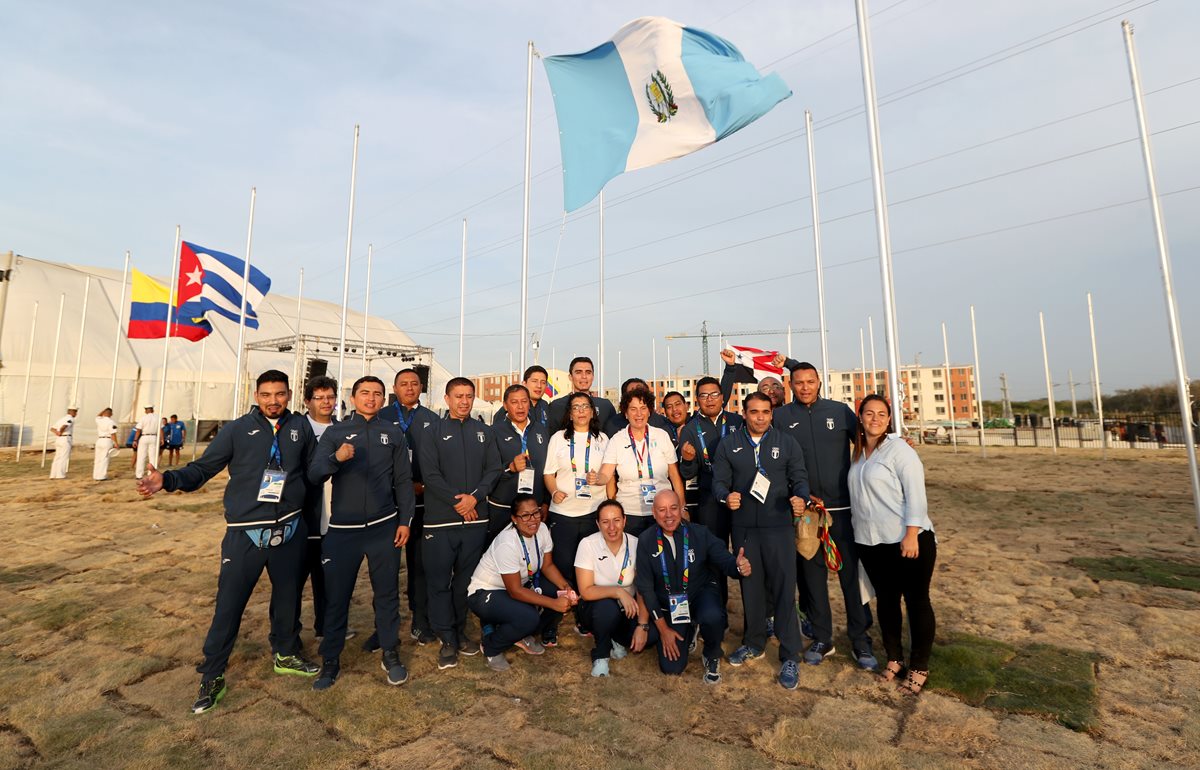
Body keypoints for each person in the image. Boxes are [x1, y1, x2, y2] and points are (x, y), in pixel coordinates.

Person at [136, 370, 319, 714]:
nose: (273, 401)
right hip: (245, 534)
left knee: (288, 600)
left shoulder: (300, 428)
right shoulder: (237, 430)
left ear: (290, 394)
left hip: (290, 532)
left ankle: (286, 653)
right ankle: (213, 674)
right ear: (256, 394)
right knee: (229, 607)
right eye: (266, 395)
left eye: (280, 394)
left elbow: (309, 475)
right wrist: (169, 479)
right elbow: (203, 468)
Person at [307, 376, 416, 690]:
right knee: (337, 598)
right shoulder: (335, 433)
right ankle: (330, 660)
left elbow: (403, 483)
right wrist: (335, 459)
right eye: (365, 393)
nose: (371, 398)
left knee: (387, 595)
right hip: (343, 531)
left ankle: (390, 653)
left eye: (377, 394)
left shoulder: (393, 433)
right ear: (353, 397)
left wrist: (405, 520)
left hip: (384, 529)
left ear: (384, 399)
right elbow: (315, 474)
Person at [776, 361, 878, 671]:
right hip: (807, 515)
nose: (805, 387)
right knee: (813, 578)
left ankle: (861, 640)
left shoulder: (839, 411)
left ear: (819, 382)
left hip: (843, 513)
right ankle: (822, 638)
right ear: (790, 385)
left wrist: (897, 444)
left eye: (810, 381)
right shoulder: (781, 417)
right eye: (799, 382)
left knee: (850, 578)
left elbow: (869, 440)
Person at [712, 391, 811, 690]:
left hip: (778, 528)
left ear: (771, 414)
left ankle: (790, 653)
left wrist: (801, 498)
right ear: (744, 413)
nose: (759, 417)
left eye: (765, 412)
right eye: (753, 412)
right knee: (750, 587)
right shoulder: (729, 444)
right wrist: (724, 496)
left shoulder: (786, 442)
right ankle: (753, 642)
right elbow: (718, 480)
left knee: (783, 589)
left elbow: (800, 477)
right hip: (744, 529)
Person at [849, 394, 936, 695]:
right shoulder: (859, 454)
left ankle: (919, 666)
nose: (874, 419)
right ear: (860, 417)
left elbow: (916, 495)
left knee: (916, 602)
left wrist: (911, 533)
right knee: (887, 602)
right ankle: (895, 658)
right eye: (869, 413)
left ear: (888, 419)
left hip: (906, 540)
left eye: (881, 414)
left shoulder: (899, 450)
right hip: (872, 543)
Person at [420, 377, 502, 670]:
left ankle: (460, 630)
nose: (464, 401)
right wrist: (460, 503)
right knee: (440, 583)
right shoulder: (432, 432)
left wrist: (475, 498)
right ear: (447, 399)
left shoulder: (484, 431)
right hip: (441, 523)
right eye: (458, 396)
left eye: (469, 396)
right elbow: (429, 475)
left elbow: (493, 470)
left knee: (465, 583)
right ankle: (446, 639)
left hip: (475, 521)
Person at [634, 491, 751, 684]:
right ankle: (689, 629)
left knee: (712, 615)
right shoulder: (646, 541)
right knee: (672, 668)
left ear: (681, 509)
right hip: (671, 605)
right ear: (654, 513)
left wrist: (737, 566)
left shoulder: (699, 533)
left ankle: (712, 653)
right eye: (662, 510)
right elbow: (646, 589)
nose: (668, 515)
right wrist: (664, 630)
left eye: (673, 508)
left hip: (699, 593)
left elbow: (724, 559)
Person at [367, 367, 441, 650]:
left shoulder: (432, 419)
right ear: (394, 389)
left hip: (422, 504)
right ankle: (382, 629)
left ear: (421, 387)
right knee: (384, 570)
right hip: (387, 505)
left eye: (414, 384)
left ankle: (420, 622)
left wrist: (423, 485)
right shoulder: (381, 417)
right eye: (403, 384)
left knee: (420, 566)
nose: (409, 388)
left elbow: (437, 462)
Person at [467, 494, 578, 671]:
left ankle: (519, 633)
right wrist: (553, 604)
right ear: (514, 519)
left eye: (536, 513)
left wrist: (566, 588)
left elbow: (548, 566)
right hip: (486, 592)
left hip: (519, 585)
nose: (532, 519)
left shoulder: (541, 529)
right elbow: (515, 591)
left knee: (558, 590)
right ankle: (491, 646)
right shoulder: (507, 543)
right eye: (525, 515)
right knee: (528, 617)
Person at [677, 376, 744, 602]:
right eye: (704, 395)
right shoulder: (690, 429)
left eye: (714, 394)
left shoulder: (738, 422)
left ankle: (759, 617)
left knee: (747, 553)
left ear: (723, 397)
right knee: (715, 554)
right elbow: (687, 475)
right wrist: (687, 461)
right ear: (697, 400)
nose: (710, 399)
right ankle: (719, 609)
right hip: (710, 500)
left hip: (741, 496)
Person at [574, 500, 655, 677]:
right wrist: (618, 592)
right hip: (595, 607)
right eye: (605, 522)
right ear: (598, 524)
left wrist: (642, 625)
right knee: (607, 609)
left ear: (625, 520)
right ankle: (601, 655)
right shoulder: (587, 544)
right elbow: (586, 591)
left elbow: (643, 587)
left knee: (652, 636)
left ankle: (614, 638)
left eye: (616, 520)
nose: (612, 527)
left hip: (628, 609)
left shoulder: (636, 544)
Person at [288, 375, 340, 644]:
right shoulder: (294, 430)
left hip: (332, 517)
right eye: (319, 397)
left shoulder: (342, 430)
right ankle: (289, 636)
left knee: (327, 578)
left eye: (330, 397)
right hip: (302, 515)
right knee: (294, 581)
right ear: (307, 401)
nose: (325, 402)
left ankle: (325, 627)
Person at [596, 388, 685, 536]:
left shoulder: (661, 436)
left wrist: (681, 508)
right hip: (630, 512)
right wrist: (597, 479)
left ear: (649, 411)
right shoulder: (617, 440)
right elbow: (606, 474)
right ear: (626, 413)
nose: (639, 414)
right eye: (633, 409)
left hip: (662, 511)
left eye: (643, 408)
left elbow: (675, 476)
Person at [486, 384, 550, 549]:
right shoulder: (493, 432)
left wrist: (545, 502)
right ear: (505, 405)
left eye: (524, 401)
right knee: (500, 556)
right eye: (514, 402)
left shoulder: (541, 430)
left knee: (531, 555)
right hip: (503, 509)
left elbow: (548, 470)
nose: (520, 406)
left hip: (533, 510)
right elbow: (486, 472)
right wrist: (510, 468)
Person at [546, 356, 616, 432]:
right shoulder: (557, 406)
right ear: (570, 377)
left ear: (593, 376)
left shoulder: (605, 406)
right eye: (578, 372)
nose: (584, 376)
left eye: (588, 372)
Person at [604, 378, 674, 436]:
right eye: (632, 393)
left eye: (640, 391)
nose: (637, 396)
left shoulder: (662, 424)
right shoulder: (612, 425)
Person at [48, 406, 77, 479]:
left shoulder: (61, 419)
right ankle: (60, 474)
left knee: (57, 457)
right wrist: (60, 431)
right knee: (63, 457)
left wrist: (57, 432)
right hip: (65, 438)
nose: (76, 414)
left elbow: (52, 428)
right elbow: (65, 426)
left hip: (59, 439)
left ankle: (53, 474)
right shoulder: (70, 419)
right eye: (75, 412)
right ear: (72, 412)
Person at [132, 405, 159, 479]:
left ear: (146, 410)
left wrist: (135, 440)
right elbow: (161, 429)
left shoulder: (143, 418)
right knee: (153, 457)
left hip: (144, 437)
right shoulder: (157, 417)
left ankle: (139, 474)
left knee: (141, 456)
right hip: (154, 437)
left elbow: (138, 430)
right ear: (152, 410)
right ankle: (151, 473)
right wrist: (162, 439)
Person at [93, 407, 119, 481]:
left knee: (97, 458)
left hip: (99, 440)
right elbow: (113, 433)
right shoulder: (111, 422)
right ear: (111, 414)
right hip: (107, 440)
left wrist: (103, 411)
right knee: (104, 458)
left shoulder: (99, 420)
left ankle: (96, 475)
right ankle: (102, 476)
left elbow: (98, 416)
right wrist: (116, 443)